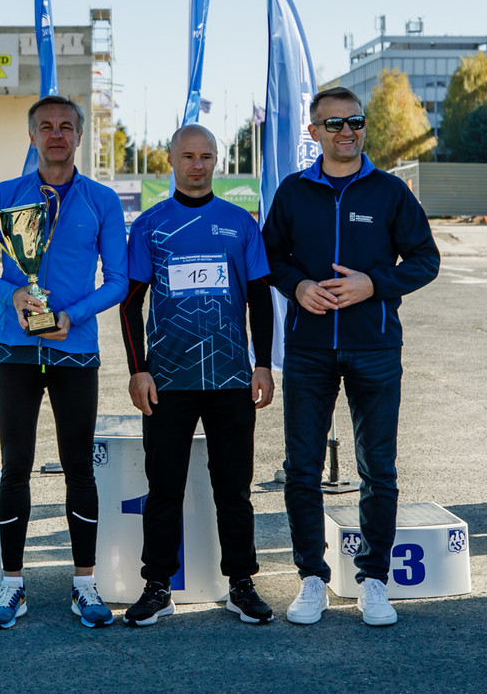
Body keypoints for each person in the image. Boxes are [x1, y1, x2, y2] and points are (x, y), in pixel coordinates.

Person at [261, 86, 438, 628]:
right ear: (314, 132)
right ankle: (312, 578)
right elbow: (270, 256)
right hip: (309, 350)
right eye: (333, 123)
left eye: (354, 122)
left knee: (378, 469)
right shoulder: (294, 191)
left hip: (375, 347)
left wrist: (373, 284)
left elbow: (426, 259)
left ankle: (374, 580)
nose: (346, 132)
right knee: (301, 469)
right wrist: (297, 287)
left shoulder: (390, 192)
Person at [0, 95, 129, 629]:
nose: (56, 134)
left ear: (80, 136)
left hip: (74, 349)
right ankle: (12, 584)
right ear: (31, 135)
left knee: (79, 466)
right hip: (15, 349)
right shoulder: (4, 196)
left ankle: (84, 583)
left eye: (65, 127)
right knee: (15, 466)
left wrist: (72, 315)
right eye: (45, 126)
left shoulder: (102, 200)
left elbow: (119, 281)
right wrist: (13, 293)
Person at [119, 124, 275, 626]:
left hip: (231, 379)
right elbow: (130, 304)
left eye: (206, 156)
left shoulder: (240, 223)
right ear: (170, 160)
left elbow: (260, 298)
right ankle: (157, 586)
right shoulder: (150, 225)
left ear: (216, 161)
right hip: (168, 380)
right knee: (164, 489)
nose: (198, 165)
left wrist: (263, 364)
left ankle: (241, 584)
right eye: (188, 156)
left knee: (234, 489)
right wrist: (139, 370)